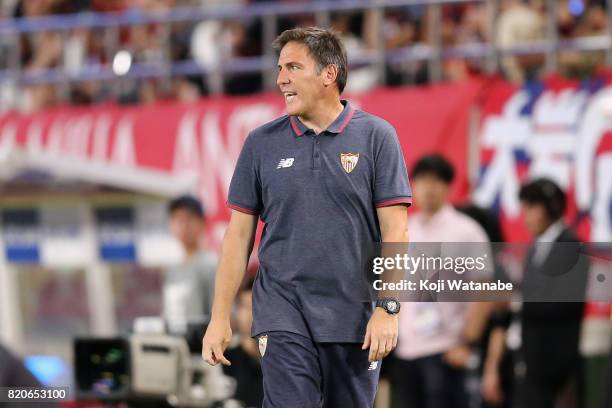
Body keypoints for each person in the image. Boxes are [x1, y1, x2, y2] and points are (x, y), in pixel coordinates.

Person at [202, 26, 412, 407]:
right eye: (280, 68)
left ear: (329, 75)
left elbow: (395, 230)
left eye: (294, 67)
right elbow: (238, 238)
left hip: (353, 317)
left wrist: (388, 307)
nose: (281, 78)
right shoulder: (260, 144)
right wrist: (220, 317)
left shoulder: (377, 137)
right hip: (282, 311)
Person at [394, 154, 492, 408]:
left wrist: (468, 343)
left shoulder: (467, 231)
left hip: (446, 349)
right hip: (406, 350)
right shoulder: (403, 229)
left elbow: (483, 291)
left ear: (448, 186)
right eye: (422, 180)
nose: (428, 188)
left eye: (437, 181)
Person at [518, 178, 588, 408]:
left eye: (531, 208)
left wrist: (517, 301)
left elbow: (564, 303)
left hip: (559, 364)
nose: (525, 216)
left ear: (551, 207)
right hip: (534, 360)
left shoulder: (570, 244)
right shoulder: (535, 246)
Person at [163, 195, 217, 335]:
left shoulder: (211, 264)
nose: (183, 226)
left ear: (202, 223)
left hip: (201, 349)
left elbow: (220, 313)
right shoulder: (172, 269)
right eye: (177, 219)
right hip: (176, 345)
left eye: (189, 219)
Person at [222, 278, 264, 408]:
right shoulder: (226, 359)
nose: (248, 314)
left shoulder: (275, 361)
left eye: (253, 307)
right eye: (244, 306)